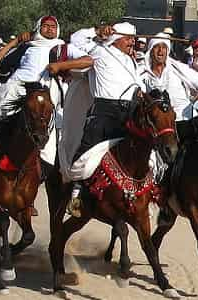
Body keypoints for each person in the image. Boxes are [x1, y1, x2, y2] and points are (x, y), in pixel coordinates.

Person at [0, 16, 92, 191]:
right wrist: (16, 41)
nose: (49, 29)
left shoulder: (63, 48)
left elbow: (88, 61)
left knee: (56, 144)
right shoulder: (27, 46)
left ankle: (66, 188)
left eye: (53, 26)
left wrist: (61, 65)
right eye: (45, 26)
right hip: (16, 92)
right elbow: (0, 62)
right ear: (38, 28)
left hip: (46, 99)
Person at [65, 22, 145, 217]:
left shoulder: (131, 61)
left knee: (141, 151)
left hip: (129, 112)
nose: (131, 42)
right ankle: (76, 194)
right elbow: (74, 41)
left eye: (132, 39)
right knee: (87, 153)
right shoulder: (99, 50)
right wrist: (96, 31)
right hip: (104, 110)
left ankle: (140, 194)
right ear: (116, 39)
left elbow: (137, 84)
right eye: (128, 39)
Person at [139, 32, 198, 144]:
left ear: (167, 51)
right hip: (160, 128)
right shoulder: (142, 74)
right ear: (150, 51)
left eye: (164, 47)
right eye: (157, 47)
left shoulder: (178, 68)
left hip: (184, 120)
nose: (160, 51)